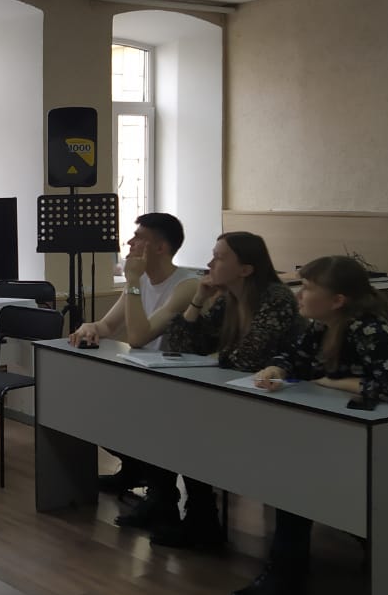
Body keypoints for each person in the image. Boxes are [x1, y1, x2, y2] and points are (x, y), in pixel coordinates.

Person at [231, 255, 388, 595]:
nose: (299, 294)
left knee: (296, 477)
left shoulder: (371, 330)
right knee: (291, 470)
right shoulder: (322, 326)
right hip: (354, 433)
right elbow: (294, 358)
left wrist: (331, 382)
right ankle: (289, 572)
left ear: (337, 300)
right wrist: (276, 368)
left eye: (308, 288)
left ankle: (286, 576)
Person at [122, 232, 302, 547]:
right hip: (236, 395)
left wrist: (218, 355)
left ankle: (200, 518)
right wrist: (198, 300)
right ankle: (170, 507)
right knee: (159, 420)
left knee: (189, 429)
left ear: (245, 269)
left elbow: (249, 358)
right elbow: (183, 345)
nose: (209, 263)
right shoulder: (228, 298)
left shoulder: (277, 298)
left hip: (280, 403)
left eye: (219, 257)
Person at [68, 213, 200, 494]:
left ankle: (155, 485)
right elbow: (108, 325)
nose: (130, 242)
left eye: (139, 238)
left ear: (160, 248)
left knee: (127, 418)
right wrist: (90, 326)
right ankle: (134, 469)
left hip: (173, 382)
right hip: (141, 375)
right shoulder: (139, 282)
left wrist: (132, 280)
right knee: (87, 412)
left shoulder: (187, 285)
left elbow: (139, 337)